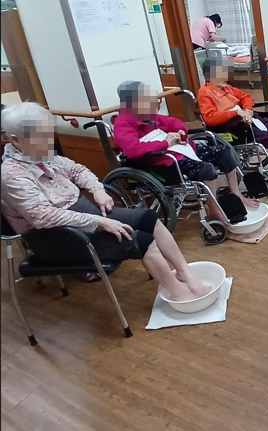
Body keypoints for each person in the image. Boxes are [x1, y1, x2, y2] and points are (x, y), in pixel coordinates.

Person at [0, 102, 211, 302]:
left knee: (148, 218)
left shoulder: (40, 153)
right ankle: (179, 294)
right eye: (41, 137)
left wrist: (97, 189)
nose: (48, 142)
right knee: (141, 240)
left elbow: (77, 170)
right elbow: (42, 216)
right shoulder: (12, 174)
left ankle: (184, 272)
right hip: (55, 236)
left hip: (83, 214)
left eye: (49, 134)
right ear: (16, 140)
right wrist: (100, 221)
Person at [113, 81, 259, 221]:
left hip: (180, 151)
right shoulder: (123, 123)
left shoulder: (147, 115)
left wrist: (180, 132)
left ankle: (236, 193)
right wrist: (165, 143)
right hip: (162, 162)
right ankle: (214, 211)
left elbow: (174, 122)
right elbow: (132, 150)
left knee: (223, 151)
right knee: (206, 169)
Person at [198, 58, 268, 154]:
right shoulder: (205, 92)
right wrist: (237, 113)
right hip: (232, 127)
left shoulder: (227, 88)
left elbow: (246, 97)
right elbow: (210, 118)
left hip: (247, 119)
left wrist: (247, 110)